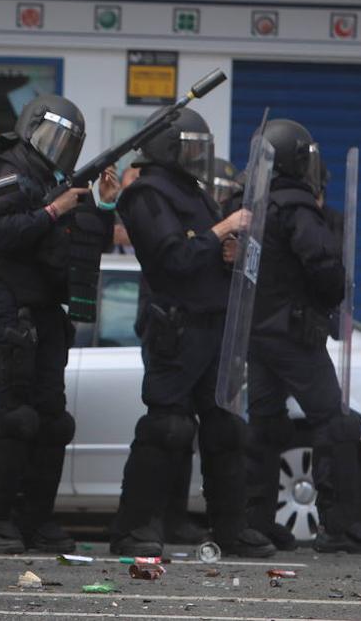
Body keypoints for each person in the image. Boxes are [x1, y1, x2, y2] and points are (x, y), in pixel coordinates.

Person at [107, 107, 275, 559]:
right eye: (192, 149)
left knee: (225, 429)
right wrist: (223, 227)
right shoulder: (145, 195)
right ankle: (134, 527)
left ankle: (231, 528)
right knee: (167, 428)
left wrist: (225, 249)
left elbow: (198, 248)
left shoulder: (194, 192)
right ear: (167, 148)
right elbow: (172, 259)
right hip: (176, 331)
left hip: (215, 326)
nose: (199, 158)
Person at [0, 95, 118, 554]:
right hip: (11, 308)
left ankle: (34, 520)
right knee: (15, 418)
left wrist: (104, 207)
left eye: (68, 142)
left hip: (50, 315)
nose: (59, 148)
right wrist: (52, 211)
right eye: (53, 136)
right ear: (29, 128)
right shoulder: (7, 171)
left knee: (54, 422)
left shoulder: (61, 181)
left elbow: (86, 249)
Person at [244, 120, 361, 554]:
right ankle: (339, 527)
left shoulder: (251, 203)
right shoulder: (297, 208)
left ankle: (257, 523)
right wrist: (327, 297)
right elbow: (325, 267)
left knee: (264, 426)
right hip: (294, 333)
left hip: (257, 335)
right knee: (335, 424)